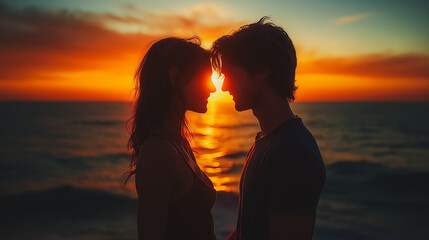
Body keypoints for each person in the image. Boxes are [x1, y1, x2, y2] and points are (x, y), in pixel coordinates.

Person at [211, 17, 326, 240]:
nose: (224, 86)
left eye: (230, 75)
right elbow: (251, 225)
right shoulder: (268, 140)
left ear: (262, 72)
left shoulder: (292, 153)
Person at [124, 37, 217, 240]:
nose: (213, 88)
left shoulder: (179, 143)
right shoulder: (159, 151)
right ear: (174, 77)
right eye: (204, 79)